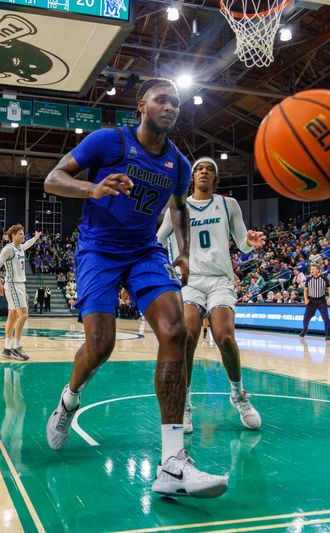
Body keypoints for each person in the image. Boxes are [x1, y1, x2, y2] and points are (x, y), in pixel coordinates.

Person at [43, 78, 228, 498]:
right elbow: (53, 179)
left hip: (146, 251)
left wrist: (181, 251)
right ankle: (69, 400)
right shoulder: (108, 142)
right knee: (101, 345)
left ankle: (173, 462)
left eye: (176, 103)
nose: (170, 107)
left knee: (176, 331)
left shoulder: (179, 164)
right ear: (141, 104)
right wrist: (93, 187)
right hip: (98, 250)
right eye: (162, 100)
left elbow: (179, 207)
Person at [157, 156, 265, 434]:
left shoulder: (227, 204)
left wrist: (250, 243)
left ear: (215, 178)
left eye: (209, 170)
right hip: (191, 281)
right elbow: (156, 241)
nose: (204, 172)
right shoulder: (177, 207)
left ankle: (238, 395)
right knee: (189, 335)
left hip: (220, 280)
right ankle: (186, 404)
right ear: (191, 177)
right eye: (199, 170)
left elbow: (242, 243)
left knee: (224, 336)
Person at [0, 225, 42, 360]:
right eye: (20, 234)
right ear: (13, 235)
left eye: (23, 234)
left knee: (13, 315)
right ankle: (16, 346)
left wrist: (36, 238)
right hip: (13, 284)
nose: (22, 236)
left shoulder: (20, 247)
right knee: (24, 314)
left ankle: (7, 348)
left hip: (19, 284)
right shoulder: (8, 249)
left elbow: (28, 243)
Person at [300, 264, 330, 340]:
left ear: (318, 270)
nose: (311, 270)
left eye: (313, 269)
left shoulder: (324, 278)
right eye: (311, 269)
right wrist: (305, 298)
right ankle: (305, 330)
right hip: (311, 300)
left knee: (326, 318)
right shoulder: (308, 279)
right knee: (306, 317)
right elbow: (305, 290)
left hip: (321, 300)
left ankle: (328, 335)